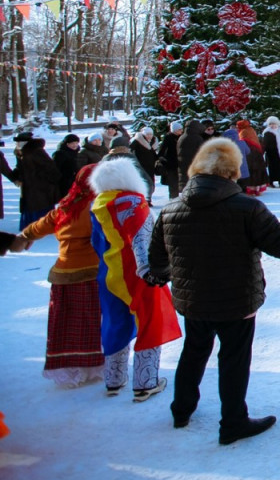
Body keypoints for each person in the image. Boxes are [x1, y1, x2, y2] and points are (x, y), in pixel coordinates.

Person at [149, 138, 280, 445]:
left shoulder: (171, 209)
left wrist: (168, 276)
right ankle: (233, 421)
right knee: (234, 358)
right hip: (237, 301)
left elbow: (158, 259)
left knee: (194, 351)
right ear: (232, 172)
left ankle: (181, 410)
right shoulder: (246, 208)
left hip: (193, 300)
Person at [89, 156, 181, 401]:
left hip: (109, 272)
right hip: (136, 273)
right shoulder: (133, 202)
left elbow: (96, 242)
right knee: (150, 322)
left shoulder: (99, 203)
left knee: (115, 322)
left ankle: (114, 379)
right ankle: (145, 382)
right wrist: (149, 271)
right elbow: (142, 238)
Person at [8, 164, 105, 387]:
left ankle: (69, 367)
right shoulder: (97, 207)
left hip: (62, 275)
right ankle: (89, 365)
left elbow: (43, 223)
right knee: (88, 323)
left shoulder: (66, 205)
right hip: (89, 275)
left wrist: (24, 236)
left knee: (65, 324)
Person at [12, 133, 61, 230]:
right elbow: (21, 167)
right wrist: (16, 176)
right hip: (29, 187)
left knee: (40, 206)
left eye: (19, 142)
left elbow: (50, 168)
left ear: (25, 142)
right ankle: (30, 226)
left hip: (41, 188)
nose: (17, 144)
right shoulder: (20, 152)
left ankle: (43, 227)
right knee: (30, 206)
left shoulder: (36, 151)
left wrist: (38, 177)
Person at [237, 120, 268, 196]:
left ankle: (251, 190)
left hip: (250, 154)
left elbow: (242, 142)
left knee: (251, 171)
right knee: (258, 171)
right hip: (257, 153)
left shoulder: (243, 132)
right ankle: (258, 189)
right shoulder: (251, 130)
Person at [176, 120, 208, 185]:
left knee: (184, 185)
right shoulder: (197, 138)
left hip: (182, 166)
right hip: (194, 167)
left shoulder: (182, 137)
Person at [157, 121, 184, 198]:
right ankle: (173, 199)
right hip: (171, 165)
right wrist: (165, 161)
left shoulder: (181, 137)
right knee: (173, 184)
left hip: (179, 164)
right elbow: (162, 151)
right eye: (179, 129)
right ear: (174, 130)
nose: (181, 131)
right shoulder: (168, 138)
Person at [261, 116, 280, 189]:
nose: (272, 125)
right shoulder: (267, 132)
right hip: (271, 153)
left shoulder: (279, 131)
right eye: (270, 124)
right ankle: (271, 182)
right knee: (272, 168)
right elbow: (266, 144)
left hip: (279, 153)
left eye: (274, 124)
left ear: (277, 124)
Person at [53, 133, 82, 199]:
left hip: (75, 181)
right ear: (67, 144)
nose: (75, 145)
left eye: (76, 143)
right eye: (72, 143)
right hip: (64, 182)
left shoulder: (77, 152)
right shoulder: (59, 154)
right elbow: (55, 168)